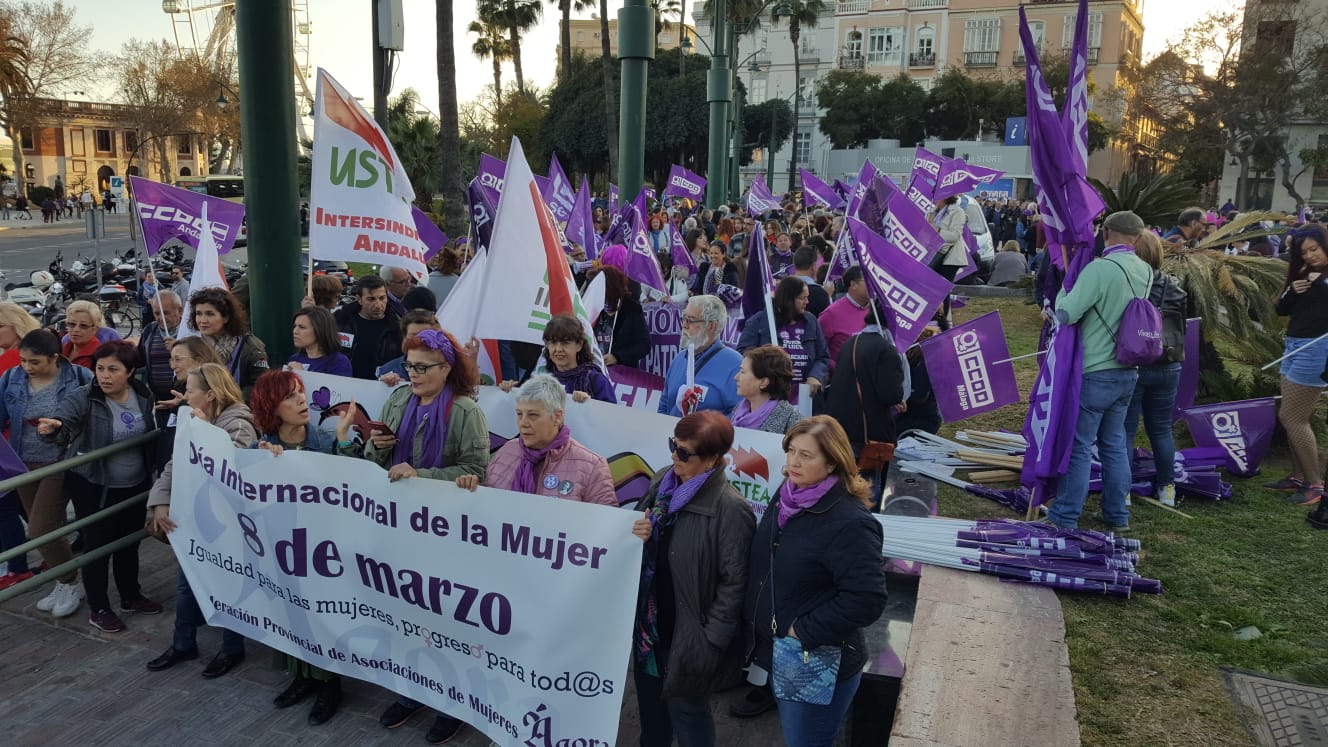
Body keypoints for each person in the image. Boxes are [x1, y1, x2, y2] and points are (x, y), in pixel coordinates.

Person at [340, 328, 488, 743]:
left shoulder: (465, 411)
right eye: (410, 366)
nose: (414, 374)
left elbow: (477, 472)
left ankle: (452, 702)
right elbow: (376, 458)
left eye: (423, 367)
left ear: (447, 368)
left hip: (444, 535)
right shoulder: (399, 398)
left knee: (443, 621)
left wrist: (420, 475)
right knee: (405, 615)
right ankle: (414, 691)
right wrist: (380, 445)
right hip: (399, 528)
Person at [743, 416, 887, 745]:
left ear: (833, 462)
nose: (793, 462)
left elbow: (868, 599)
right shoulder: (789, 493)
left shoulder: (851, 523)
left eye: (806, 456)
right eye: (791, 451)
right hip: (781, 651)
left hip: (817, 658)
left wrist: (801, 630)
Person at [628, 411, 756, 747]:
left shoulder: (731, 509)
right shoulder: (661, 480)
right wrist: (636, 529)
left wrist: (710, 641)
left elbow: (735, 584)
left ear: (713, 459)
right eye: (674, 445)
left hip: (689, 638)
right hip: (650, 629)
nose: (674, 456)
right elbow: (633, 534)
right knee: (651, 719)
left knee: (689, 720)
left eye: (685, 453)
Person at [36, 341, 161, 633]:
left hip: (133, 484)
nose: (104, 376)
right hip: (93, 485)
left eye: (113, 370)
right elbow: (63, 421)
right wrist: (53, 427)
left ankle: (131, 596)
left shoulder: (143, 394)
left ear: (130, 371)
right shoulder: (84, 397)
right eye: (100, 369)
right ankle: (99, 607)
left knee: (128, 544)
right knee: (97, 547)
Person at [145, 363, 256, 678]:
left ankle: (232, 649)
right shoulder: (192, 418)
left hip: (228, 524)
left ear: (210, 394)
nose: (185, 396)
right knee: (187, 585)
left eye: (190, 390)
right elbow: (175, 464)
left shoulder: (239, 423)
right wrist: (161, 502)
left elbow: (229, 472)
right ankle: (183, 644)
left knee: (229, 586)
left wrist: (206, 432)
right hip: (194, 519)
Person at [1044, 211, 1153, 531]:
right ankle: (1117, 514)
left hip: (1095, 369)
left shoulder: (1100, 269)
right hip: (1127, 369)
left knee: (1079, 446)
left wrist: (1065, 288)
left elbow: (1066, 313)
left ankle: (1064, 515)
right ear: (1137, 237)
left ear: (1105, 232)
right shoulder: (1145, 269)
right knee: (1115, 444)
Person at [247, 370, 342, 724]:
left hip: (322, 550)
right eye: (291, 396)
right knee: (291, 613)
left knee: (323, 616)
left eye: (301, 393)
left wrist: (345, 445)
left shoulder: (325, 440)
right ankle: (303, 677)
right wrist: (259, 462)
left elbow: (354, 485)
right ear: (272, 406)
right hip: (281, 548)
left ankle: (330, 684)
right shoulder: (262, 446)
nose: (302, 400)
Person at [0, 328, 91, 605]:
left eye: (34, 362)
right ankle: (63, 581)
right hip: (23, 462)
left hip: (60, 460)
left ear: (54, 358)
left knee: (39, 529)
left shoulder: (78, 377)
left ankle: (70, 581)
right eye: (23, 361)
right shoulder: (11, 378)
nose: (27, 367)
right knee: (48, 529)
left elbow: (92, 413)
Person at [456, 374, 615, 504]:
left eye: (533, 415)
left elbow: (607, 528)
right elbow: (486, 505)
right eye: (519, 414)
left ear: (557, 416)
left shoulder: (592, 466)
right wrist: (474, 487)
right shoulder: (506, 451)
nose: (523, 423)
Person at [1122, 232, 1187, 508]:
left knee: (1123, 430)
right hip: (1169, 363)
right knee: (1160, 430)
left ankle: (1121, 490)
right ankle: (1167, 488)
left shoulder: (1129, 284)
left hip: (1135, 363)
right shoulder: (1175, 287)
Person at [1268, 226, 1328, 506]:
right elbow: (1282, 309)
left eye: (1314, 249)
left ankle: (1315, 484)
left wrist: (1319, 284)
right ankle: (1298, 476)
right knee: (1288, 416)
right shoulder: (1303, 273)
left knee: (1294, 418)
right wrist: (1294, 289)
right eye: (1304, 252)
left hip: (1316, 349)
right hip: (1293, 344)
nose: (1310, 255)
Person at [828, 299, 907, 502]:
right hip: (870, 433)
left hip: (843, 427)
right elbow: (890, 394)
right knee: (869, 489)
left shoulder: (851, 342)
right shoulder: (886, 350)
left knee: (845, 484)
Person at [738, 276, 831, 401]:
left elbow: (822, 356)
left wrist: (816, 376)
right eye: (802, 298)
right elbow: (743, 353)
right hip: (770, 396)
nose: (807, 302)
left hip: (805, 398)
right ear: (788, 299)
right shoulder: (760, 321)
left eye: (807, 297)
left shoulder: (811, 321)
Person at [658, 295, 743, 417]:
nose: (684, 325)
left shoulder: (734, 365)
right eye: (684, 318)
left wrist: (703, 432)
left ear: (711, 326)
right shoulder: (679, 359)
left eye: (691, 320)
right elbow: (664, 404)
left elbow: (738, 416)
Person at [509, 314, 616, 403]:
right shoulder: (539, 380)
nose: (558, 349)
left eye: (565, 343)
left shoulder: (595, 380)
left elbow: (610, 417)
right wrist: (510, 390)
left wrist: (590, 403)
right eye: (553, 343)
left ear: (579, 345)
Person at [186, 287, 270, 391]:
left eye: (210, 314)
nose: (202, 320)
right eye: (198, 314)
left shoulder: (249, 347)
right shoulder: (194, 346)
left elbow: (260, 387)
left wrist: (229, 401)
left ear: (226, 317)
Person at [333, 274, 403, 380]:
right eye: (371, 299)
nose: (378, 305)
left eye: (382, 298)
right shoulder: (340, 321)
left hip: (382, 387)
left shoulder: (398, 327)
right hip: (344, 385)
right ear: (359, 299)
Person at [732, 346, 804, 435]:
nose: (736, 377)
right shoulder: (737, 410)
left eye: (743, 372)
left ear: (763, 382)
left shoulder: (791, 422)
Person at [590, 265, 650, 368]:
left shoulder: (632, 308)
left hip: (623, 374)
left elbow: (644, 345)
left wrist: (617, 357)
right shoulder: (593, 307)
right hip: (596, 371)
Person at [818, 266, 870, 376]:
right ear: (853, 284)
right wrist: (840, 369)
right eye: (868, 280)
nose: (873, 285)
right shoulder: (831, 314)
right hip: (843, 381)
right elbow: (819, 351)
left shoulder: (877, 310)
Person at [137, 290, 183, 408]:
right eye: (157, 314)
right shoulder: (149, 330)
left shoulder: (191, 331)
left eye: (166, 313)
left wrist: (179, 348)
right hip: (159, 401)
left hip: (186, 400)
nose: (161, 318)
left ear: (180, 311)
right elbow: (138, 359)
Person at [377, 310, 442, 385]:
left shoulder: (449, 367)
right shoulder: (388, 369)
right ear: (405, 338)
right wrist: (384, 386)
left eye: (426, 335)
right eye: (414, 336)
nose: (419, 340)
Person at [287, 306, 352, 376]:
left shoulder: (339, 362)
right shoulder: (294, 359)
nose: (295, 331)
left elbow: (339, 386)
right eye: (295, 326)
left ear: (320, 330)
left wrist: (301, 374)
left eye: (302, 327)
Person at [62, 300, 121, 368]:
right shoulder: (63, 344)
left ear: (95, 329)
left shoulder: (101, 356)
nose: (76, 330)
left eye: (83, 325)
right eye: (71, 324)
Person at [787, 247, 830, 316]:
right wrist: (828, 296)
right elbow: (827, 318)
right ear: (813, 266)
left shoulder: (783, 287)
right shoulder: (820, 292)